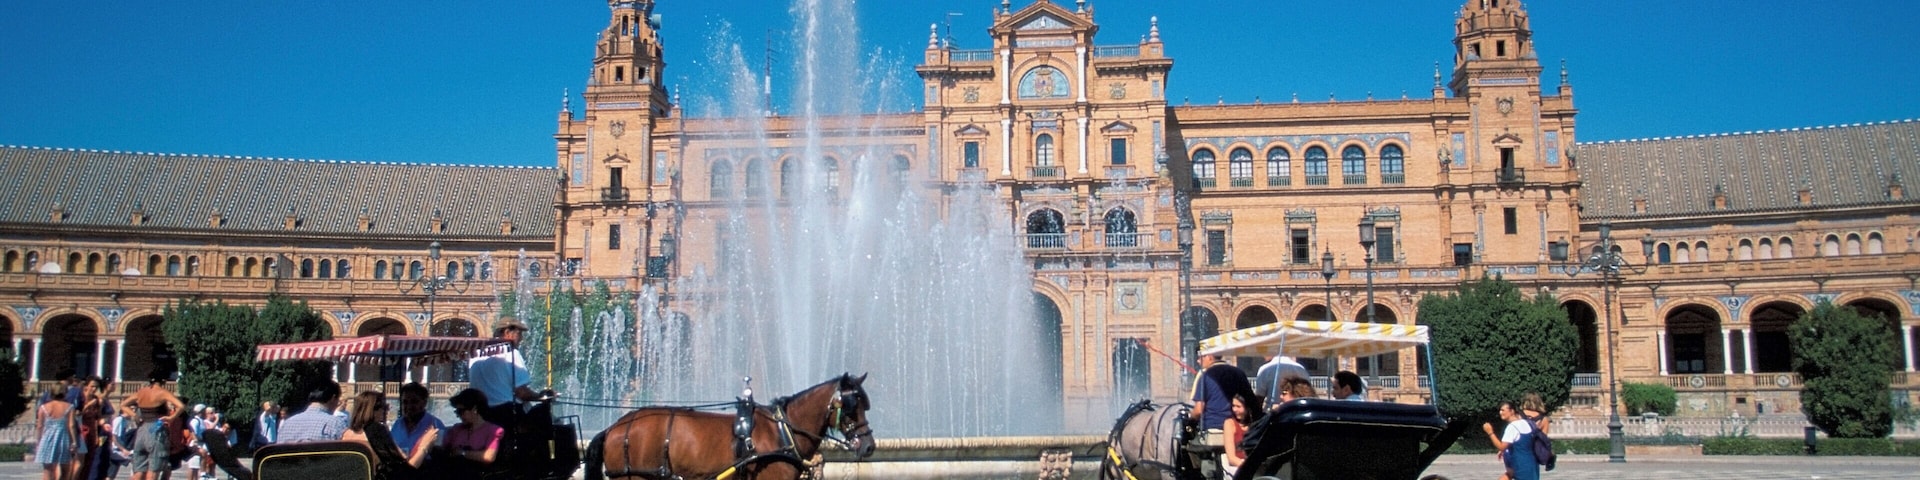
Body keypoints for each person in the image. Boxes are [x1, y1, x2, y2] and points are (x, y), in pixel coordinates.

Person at [468, 317, 542, 428]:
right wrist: (541, 396)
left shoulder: (476, 353)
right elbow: (521, 392)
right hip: (506, 415)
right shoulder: (511, 353)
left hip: (482, 415)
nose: (521, 339)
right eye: (519, 334)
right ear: (507, 332)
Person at [122, 375, 184, 480]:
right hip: (156, 430)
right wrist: (171, 417)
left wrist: (134, 415)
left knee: (139, 471)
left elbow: (123, 404)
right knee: (154, 470)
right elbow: (181, 406)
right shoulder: (162, 392)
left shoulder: (141, 392)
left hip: (141, 430)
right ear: (163, 381)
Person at [436, 389, 504, 478]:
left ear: (475, 409)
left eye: (461, 411)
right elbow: (441, 447)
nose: (458, 415)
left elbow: (489, 456)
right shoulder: (456, 429)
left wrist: (462, 453)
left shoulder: (492, 430)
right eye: (457, 412)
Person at [1482, 401, 1541, 480]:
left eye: (1503, 410)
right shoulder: (1526, 423)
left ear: (1512, 411)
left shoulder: (1512, 427)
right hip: (1531, 463)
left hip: (1520, 464)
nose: (1500, 412)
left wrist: (1490, 432)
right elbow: (1522, 442)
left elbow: (1501, 447)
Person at [390, 383, 443, 467]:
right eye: (405, 402)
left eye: (414, 402)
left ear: (424, 403)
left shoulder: (435, 425)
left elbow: (440, 458)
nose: (408, 406)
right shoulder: (397, 424)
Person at [279, 381, 348, 443]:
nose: (338, 404)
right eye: (338, 400)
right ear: (333, 398)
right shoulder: (336, 424)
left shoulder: (287, 424)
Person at [1221, 391, 1263, 478]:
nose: (1234, 409)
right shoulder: (1229, 423)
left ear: (1247, 407)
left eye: (1238, 406)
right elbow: (1231, 458)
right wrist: (1248, 466)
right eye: (1233, 406)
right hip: (1239, 467)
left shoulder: (1257, 423)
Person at [38, 388, 77, 480]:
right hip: (63, 438)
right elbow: (71, 425)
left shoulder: (43, 407)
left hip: (47, 438)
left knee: (48, 469)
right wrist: (74, 441)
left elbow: (40, 426)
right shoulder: (69, 407)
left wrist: (39, 440)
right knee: (65, 468)